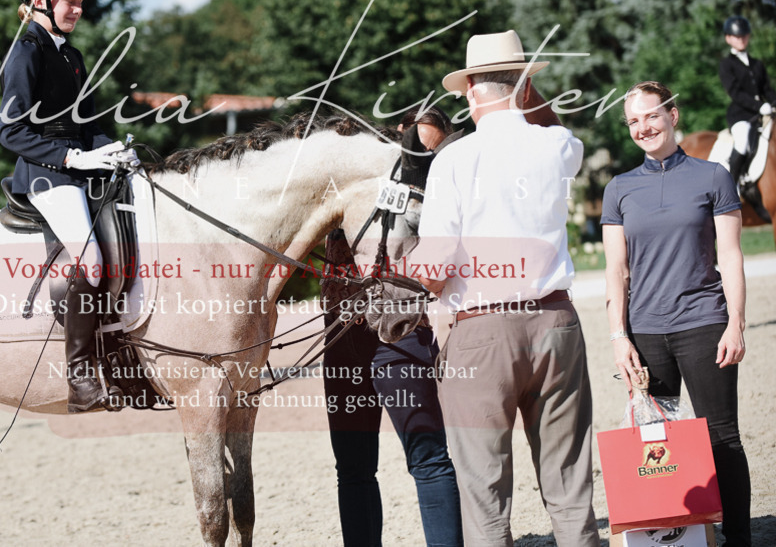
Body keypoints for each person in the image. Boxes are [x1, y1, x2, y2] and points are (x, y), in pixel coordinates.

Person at [414, 30, 597, 546]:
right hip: (556, 324)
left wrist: (413, 273)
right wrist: (524, 90)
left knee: (485, 499)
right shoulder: (557, 145)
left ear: (470, 89)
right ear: (523, 85)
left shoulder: (454, 158)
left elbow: (437, 261)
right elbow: (562, 134)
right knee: (570, 487)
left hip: (483, 331)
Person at [602, 81, 752, 546]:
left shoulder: (713, 177)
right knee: (654, 438)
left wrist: (736, 322)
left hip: (705, 324)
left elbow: (730, 256)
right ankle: (674, 535)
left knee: (722, 436)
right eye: (633, 121)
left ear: (673, 115)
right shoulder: (619, 189)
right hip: (645, 333)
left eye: (651, 116)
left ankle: (739, 537)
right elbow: (616, 270)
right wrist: (618, 337)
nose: (643, 127)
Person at [0, 0, 137, 412]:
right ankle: (80, 377)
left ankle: (119, 354)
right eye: (68, 1)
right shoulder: (26, 51)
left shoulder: (71, 56)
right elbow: (11, 130)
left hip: (77, 167)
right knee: (91, 260)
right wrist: (72, 157)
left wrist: (113, 150)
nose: (77, 9)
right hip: (43, 176)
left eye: (80, 1)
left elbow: (87, 123)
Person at [321, 108, 462, 547]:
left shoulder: (429, 189)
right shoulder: (344, 189)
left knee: (427, 458)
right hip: (342, 338)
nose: (421, 153)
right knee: (353, 468)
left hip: (401, 334)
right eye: (414, 143)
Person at [719, 15, 775, 221]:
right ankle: (734, 184)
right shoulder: (726, 64)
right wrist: (760, 106)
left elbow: (767, 90)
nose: (741, 39)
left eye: (744, 35)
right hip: (741, 114)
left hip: (762, 113)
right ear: (728, 38)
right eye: (736, 36)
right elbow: (735, 93)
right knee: (742, 141)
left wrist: (773, 102)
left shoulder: (757, 64)